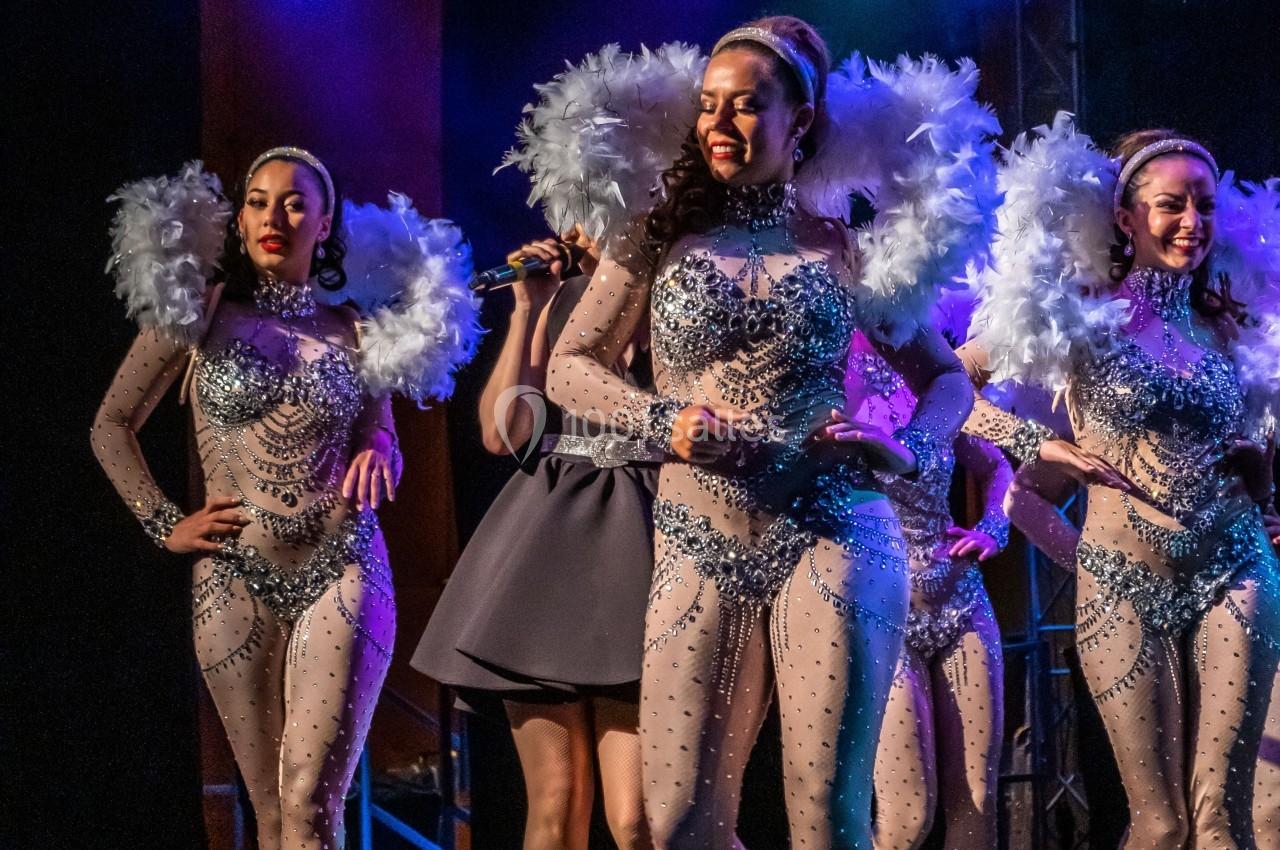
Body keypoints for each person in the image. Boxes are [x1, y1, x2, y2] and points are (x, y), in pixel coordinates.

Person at [546, 17, 983, 849]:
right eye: (709, 106)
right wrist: (663, 418)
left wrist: (905, 448)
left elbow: (950, 379)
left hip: (835, 531)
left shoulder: (843, 248)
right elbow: (569, 365)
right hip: (694, 536)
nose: (718, 124)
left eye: (745, 107)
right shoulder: (655, 236)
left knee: (828, 822)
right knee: (677, 825)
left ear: (801, 121)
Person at [94, 148, 477, 849]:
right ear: (239, 220)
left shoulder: (357, 326)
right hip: (232, 577)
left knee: (310, 802)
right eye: (260, 201)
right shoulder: (200, 314)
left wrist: (378, 451)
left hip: (344, 565)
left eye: (296, 202)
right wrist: (162, 523)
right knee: (271, 812)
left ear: (324, 221)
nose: (277, 216)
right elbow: (110, 425)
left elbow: (382, 432)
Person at [964, 123, 1280, 848]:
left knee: (1224, 819)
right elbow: (956, 382)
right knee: (1159, 824)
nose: (1192, 223)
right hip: (1121, 579)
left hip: (1235, 568)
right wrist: (1036, 442)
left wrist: (1261, 478)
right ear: (1125, 216)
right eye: (1172, 205)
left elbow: (1263, 428)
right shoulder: (1081, 315)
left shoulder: (1230, 323)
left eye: (1204, 205)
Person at [412, 227, 656, 850]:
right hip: (549, 543)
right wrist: (529, 309)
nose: (578, 226)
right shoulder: (557, 295)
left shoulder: (677, 283)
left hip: (643, 537)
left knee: (637, 821)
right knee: (556, 803)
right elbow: (504, 436)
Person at [845, 329, 1011, 850]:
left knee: (977, 803)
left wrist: (993, 527)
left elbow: (997, 466)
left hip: (961, 603)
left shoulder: (936, 382)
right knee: (907, 816)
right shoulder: (825, 379)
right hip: (881, 613)